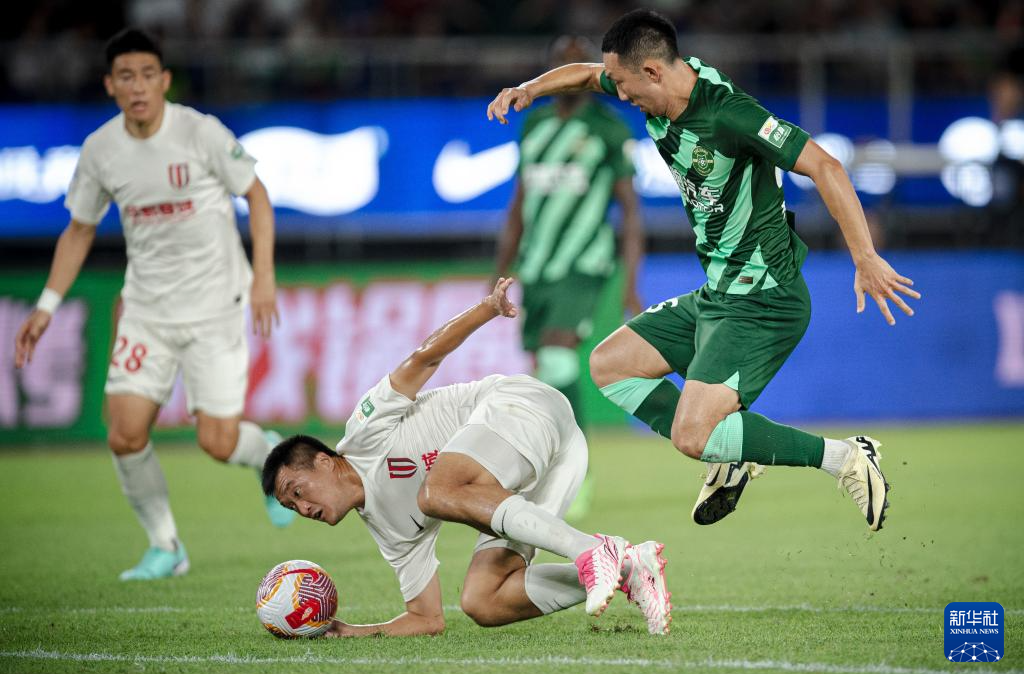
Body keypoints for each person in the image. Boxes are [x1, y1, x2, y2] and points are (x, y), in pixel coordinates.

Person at [487, 9, 921, 531]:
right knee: (610, 364)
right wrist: (529, 89)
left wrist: (865, 256)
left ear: (652, 71)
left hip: (764, 299)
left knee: (693, 436)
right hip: (719, 293)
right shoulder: (653, 81)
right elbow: (583, 75)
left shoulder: (730, 114)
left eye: (623, 85)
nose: (619, 95)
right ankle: (730, 453)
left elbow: (825, 165)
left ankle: (845, 457)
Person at [13, 28, 294, 581]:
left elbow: (256, 195)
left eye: (147, 75)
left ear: (164, 81)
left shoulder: (199, 132)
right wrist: (46, 305)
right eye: (126, 76)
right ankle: (166, 546)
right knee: (124, 433)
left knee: (217, 442)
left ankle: (267, 452)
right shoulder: (100, 150)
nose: (137, 86)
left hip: (215, 305)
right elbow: (79, 229)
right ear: (110, 85)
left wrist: (264, 277)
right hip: (146, 311)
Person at [262, 278, 671, 637]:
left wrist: (488, 308)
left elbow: (424, 358)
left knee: (435, 492)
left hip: (524, 407)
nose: (303, 508)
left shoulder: (364, 432)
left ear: (323, 461)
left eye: (296, 491)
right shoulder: (389, 530)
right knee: (483, 600)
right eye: (291, 506)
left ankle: (592, 550)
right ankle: (628, 567)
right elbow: (426, 619)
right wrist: (347, 632)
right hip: (558, 461)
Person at [494, 35, 644, 520]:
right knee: (545, 372)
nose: (569, 72)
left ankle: (574, 475)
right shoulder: (534, 124)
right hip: (537, 265)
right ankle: (547, 465)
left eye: (577, 64)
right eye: (561, 62)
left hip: (584, 262)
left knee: (558, 358)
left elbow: (630, 210)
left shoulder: (608, 127)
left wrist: (631, 282)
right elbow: (519, 202)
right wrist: (501, 270)